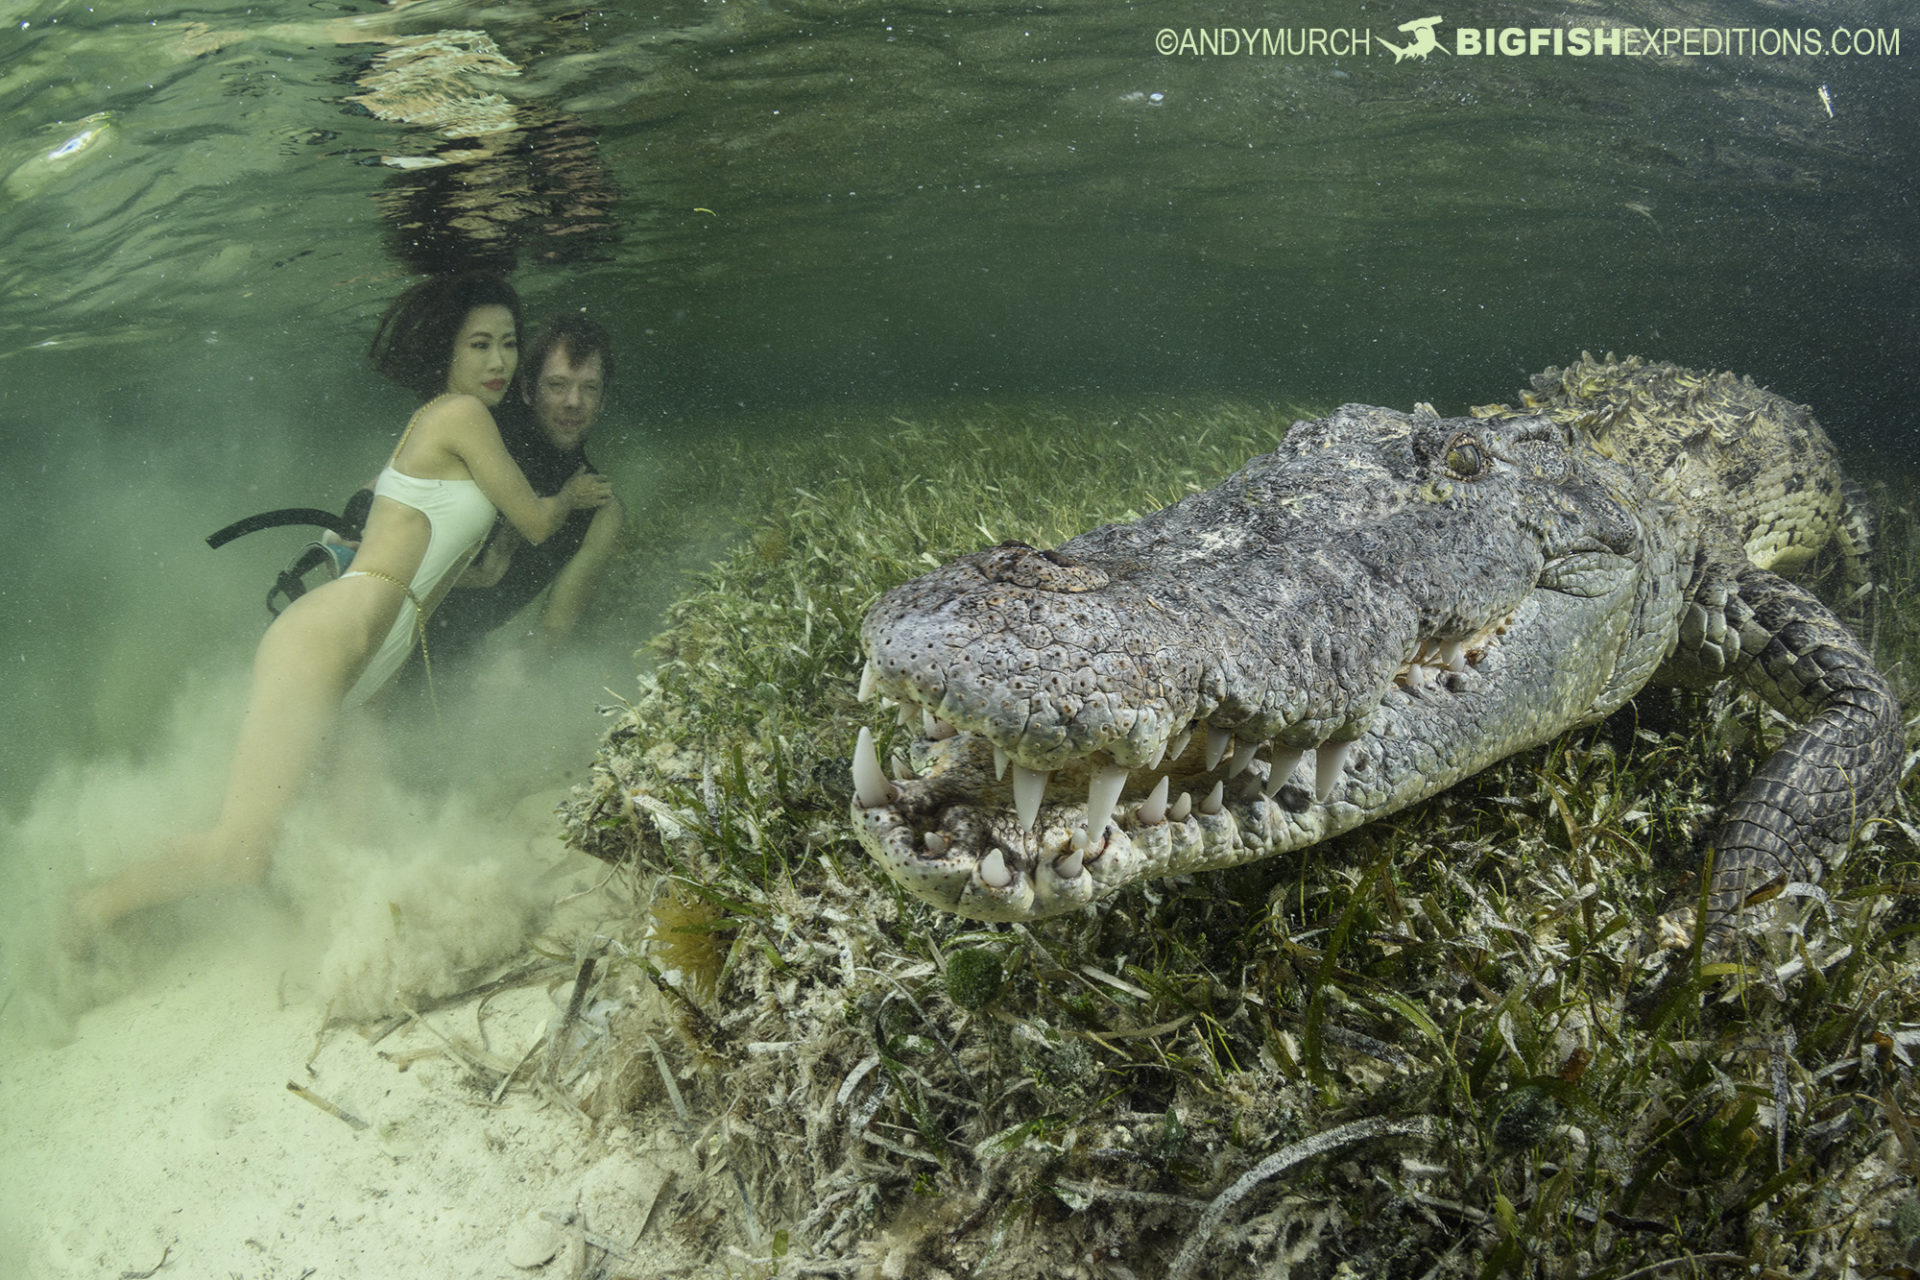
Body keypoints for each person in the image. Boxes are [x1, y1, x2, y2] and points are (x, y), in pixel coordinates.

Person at [71, 274, 613, 938]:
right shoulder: (459, 416)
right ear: (447, 351)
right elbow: (534, 520)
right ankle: (85, 914)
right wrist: (573, 498)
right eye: (480, 345)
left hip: (375, 662)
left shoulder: (454, 425)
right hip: (326, 642)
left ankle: (201, 932)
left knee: (357, 840)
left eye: (508, 343)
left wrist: (482, 568)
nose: (499, 362)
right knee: (242, 853)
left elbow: (420, 548)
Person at [418, 313, 627, 671]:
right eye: (558, 385)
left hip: (446, 673)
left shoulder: (601, 513)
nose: (573, 402)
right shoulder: (475, 442)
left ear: (603, 399)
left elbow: (553, 631)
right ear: (528, 390)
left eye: (589, 388)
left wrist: (509, 673)